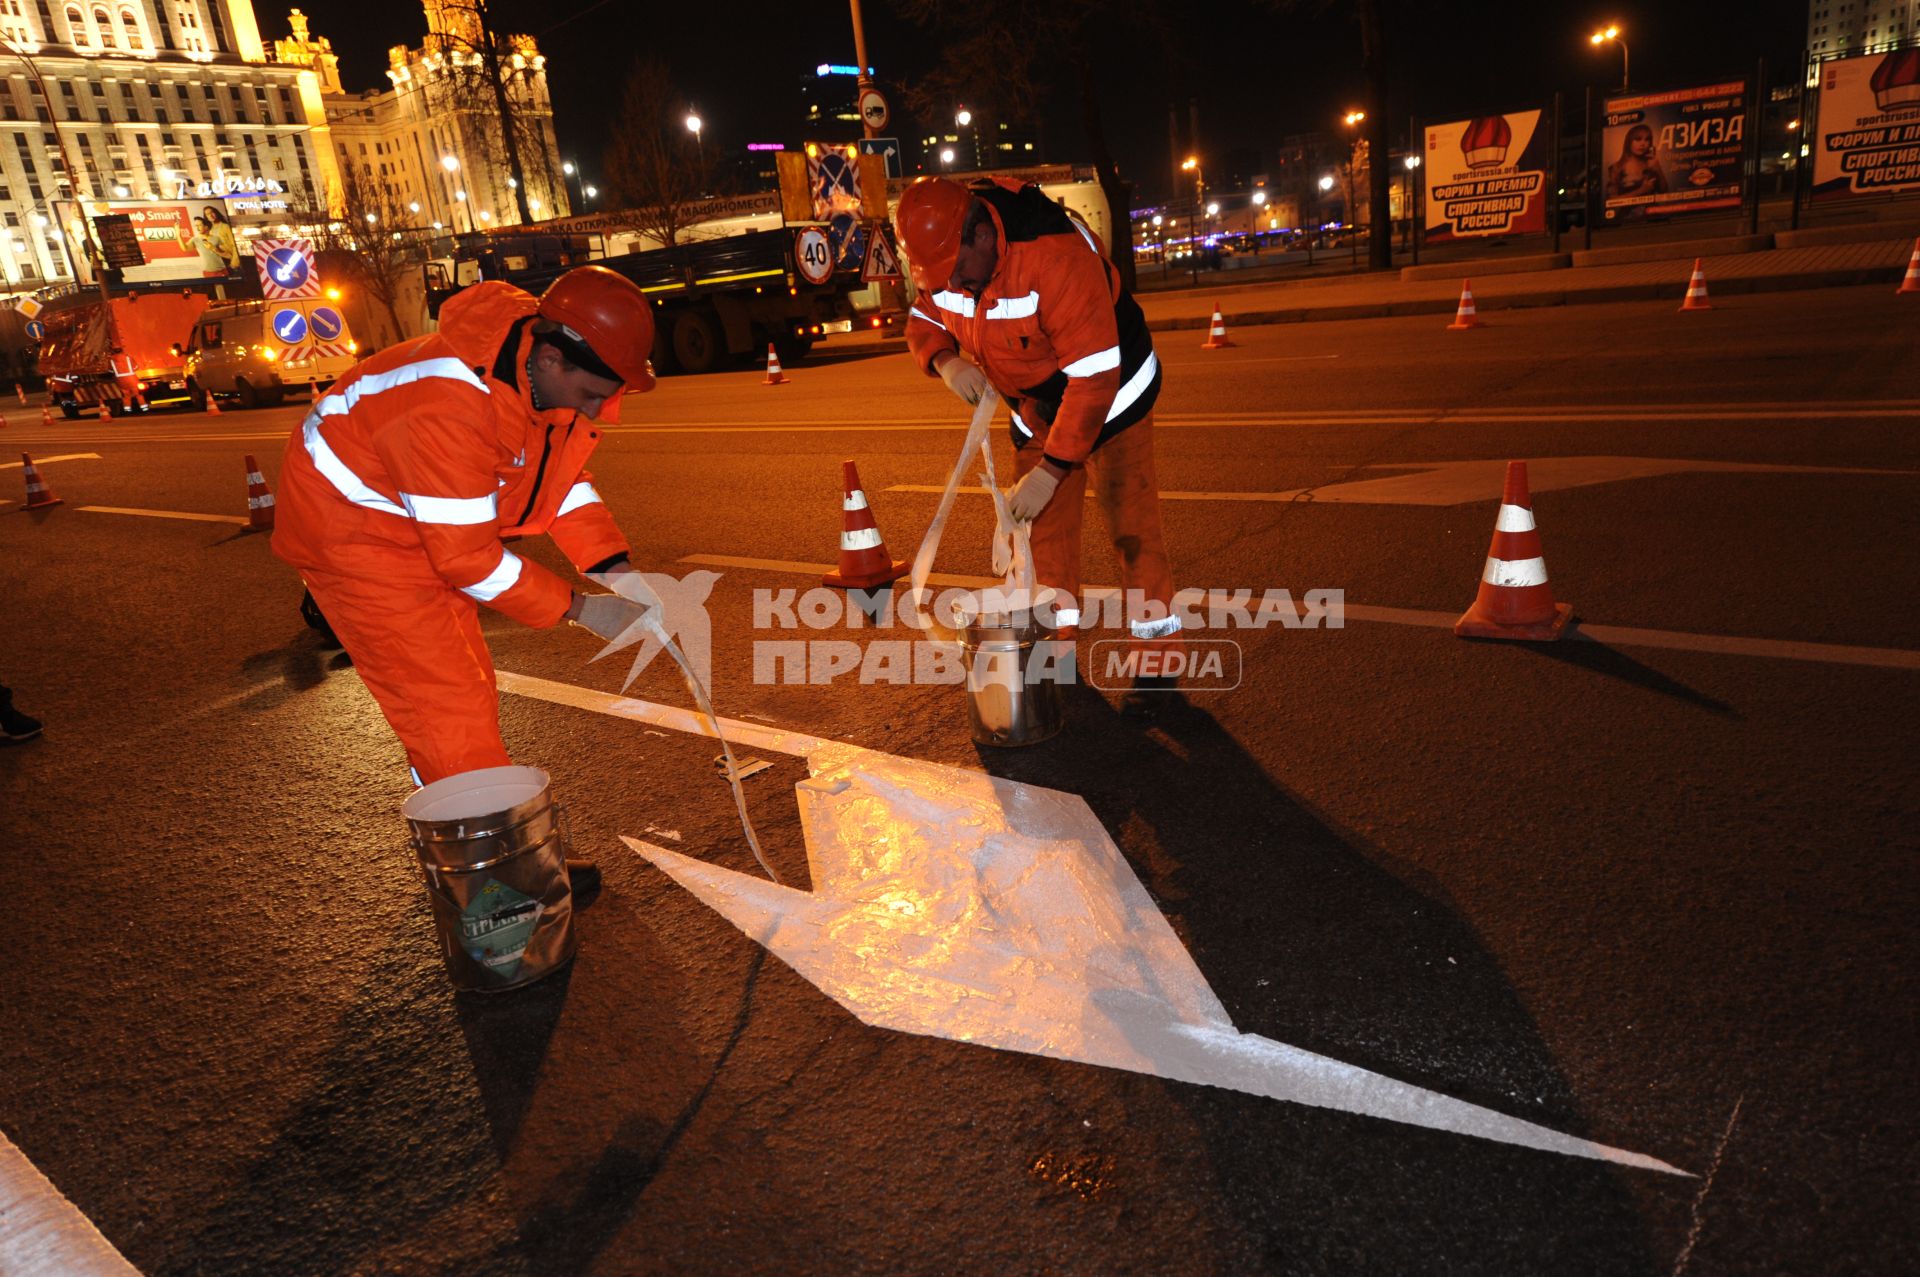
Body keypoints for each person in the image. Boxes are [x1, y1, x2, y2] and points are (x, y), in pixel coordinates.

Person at [271, 265, 660, 881]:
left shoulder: (525, 373)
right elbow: (467, 559)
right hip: (356, 537)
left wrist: (618, 571)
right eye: (593, 395)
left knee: (465, 687)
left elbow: (556, 485)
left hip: (412, 519)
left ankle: (482, 846)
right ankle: (497, 877)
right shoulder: (449, 406)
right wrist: (583, 610)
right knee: (443, 704)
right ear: (553, 358)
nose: (601, 412)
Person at [896, 176, 1182, 713]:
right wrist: (944, 358)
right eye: (939, 277)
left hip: (1115, 399)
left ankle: (1158, 663)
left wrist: (1051, 470)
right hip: (1038, 408)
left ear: (982, 235)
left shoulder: (1054, 259)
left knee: (1133, 533)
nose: (950, 284)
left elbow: (1095, 379)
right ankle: (1053, 652)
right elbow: (923, 315)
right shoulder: (948, 264)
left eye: (955, 270)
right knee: (1040, 544)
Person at [1606, 124, 1667, 200]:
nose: (1643, 144)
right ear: (1629, 142)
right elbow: (1611, 201)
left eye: (1647, 139)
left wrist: (1658, 169)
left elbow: (1664, 192)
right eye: (1638, 139)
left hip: (1652, 210)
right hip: (1628, 211)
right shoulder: (1617, 167)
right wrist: (1642, 190)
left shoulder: (1651, 164)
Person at [201, 204, 241, 270]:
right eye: (207, 214)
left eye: (212, 212)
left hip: (231, 260)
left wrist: (234, 262)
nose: (211, 215)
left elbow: (235, 245)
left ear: (216, 212)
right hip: (219, 262)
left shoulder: (225, 227)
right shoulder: (210, 231)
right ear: (206, 217)